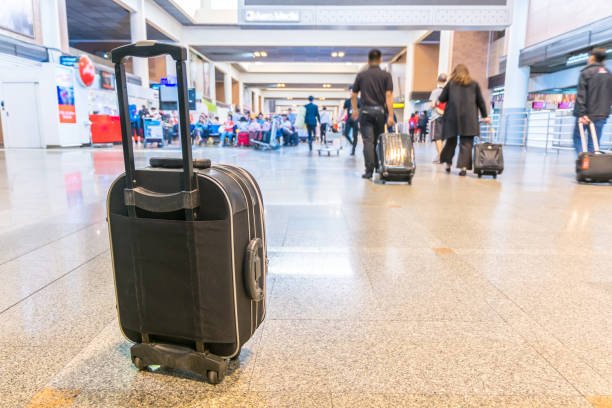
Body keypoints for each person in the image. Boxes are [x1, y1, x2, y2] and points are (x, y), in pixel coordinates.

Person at [438, 64, 490, 176]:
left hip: (452, 118)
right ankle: (464, 167)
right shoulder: (474, 84)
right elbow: (480, 101)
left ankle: (448, 163)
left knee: (451, 141)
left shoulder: (451, 84)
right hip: (469, 119)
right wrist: (485, 116)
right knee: (466, 143)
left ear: (454, 73)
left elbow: (442, 99)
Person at [351, 49, 394, 179]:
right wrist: (390, 115)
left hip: (365, 112)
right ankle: (379, 167)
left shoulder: (361, 75)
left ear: (368, 60)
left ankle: (369, 171)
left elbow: (353, 95)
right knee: (378, 140)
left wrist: (355, 110)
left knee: (368, 141)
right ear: (380, 60)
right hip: (380, 112)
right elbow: (389, 95)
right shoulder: (386, 75)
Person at [572, 47, 612, 156]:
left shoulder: (586, 72)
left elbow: (581, 95)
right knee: (594, 142)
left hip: (586, 114)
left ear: (593, 57)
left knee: (577, 137)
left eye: (589, 56)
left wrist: (582, 114)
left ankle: (583, 160)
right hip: (602, 115)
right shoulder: (609, 74)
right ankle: (591, 164)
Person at [429, 73, 448, 162]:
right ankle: (440, 155)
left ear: (438, 80)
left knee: (437, 138)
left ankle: (441, 157)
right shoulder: (448, 91)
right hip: (446, 116)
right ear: (446, 80)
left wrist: (432, 106)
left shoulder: (435, 91)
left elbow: (433, 104)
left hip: (437, 116)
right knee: (442, 137)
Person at [342, 86, 360, 155]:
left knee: (355, 135)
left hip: (356, 119)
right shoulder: (347, 101)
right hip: (349, 119)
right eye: (350, 91)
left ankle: (353, 150)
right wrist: (339, 118)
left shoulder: (359, 100)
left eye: (353, 91)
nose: (351, 92)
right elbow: (343, 110)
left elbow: (361, 110)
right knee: (345, 133)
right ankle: (352, 143)